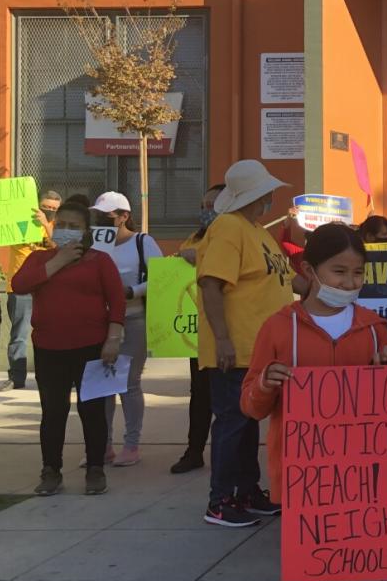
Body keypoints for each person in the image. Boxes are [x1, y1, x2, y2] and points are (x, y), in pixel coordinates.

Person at [241, 223, 387, 581]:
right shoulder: (278, 327)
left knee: (351, 573)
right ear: (309, 271)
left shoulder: (375, 327)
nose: (350, 281)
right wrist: (267, 383)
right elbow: (250, 403)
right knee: (313, 575)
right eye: (339, 271)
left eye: (358, 273)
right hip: (301, 477)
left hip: (360, 475)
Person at [197, 160, 295, 528]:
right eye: (267, 191)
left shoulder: (257, 231)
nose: (271, 197)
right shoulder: (228, 228)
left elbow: (285, 281)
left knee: (247, 422)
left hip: (259, 350)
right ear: (256, 195)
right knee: (233, 423)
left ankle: (247, 491)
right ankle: (220, 502)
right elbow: (211, 284)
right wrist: (222, 339)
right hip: (235, 349)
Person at [10, 200, 125, 497]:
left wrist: (113, 338)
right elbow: (19, 284)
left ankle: (95, 469)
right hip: (50, 348)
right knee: (53, 411)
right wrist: (58, 261)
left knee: (92, 411)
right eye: (61, 224)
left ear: (87, 232)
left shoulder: (99, 261)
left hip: (91, 348)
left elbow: (117, 301)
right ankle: (51, 470)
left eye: (73, 227)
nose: (65, 230)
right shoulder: (39, 259)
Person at [88, 192, 162, 468]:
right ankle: (103, 444)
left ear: (124, 216)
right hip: (99, 323)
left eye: (105, 216)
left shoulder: (143, 242)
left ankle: (131, 444)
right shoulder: (94, 245)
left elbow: (161, 279)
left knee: (129, 383)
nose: (100, 221)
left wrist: (131, 291)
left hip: (134, 319)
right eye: (96, 216)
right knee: (102, 386)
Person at [169, 184, 225, 474]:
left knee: (227, 399)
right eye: (204, 205)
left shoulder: (232, 237)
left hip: (227, 330)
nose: (206, 211)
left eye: (212, 206)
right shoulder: (196, 237)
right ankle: (194, 450)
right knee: (199, 393)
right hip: (198, 329)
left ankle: (226, 454)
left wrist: (198, 257)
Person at [0, 189, 60, 392]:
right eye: (46, 207)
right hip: (19, 287)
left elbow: (60, 247)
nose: (49, 210)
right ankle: (16, 377)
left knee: (52, 332)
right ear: (37, 204)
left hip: (47, 286)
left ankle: (53, 376)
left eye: (53, 209)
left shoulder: (55, 226)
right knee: (19, 335)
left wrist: (45, 223)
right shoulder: (18, 222)